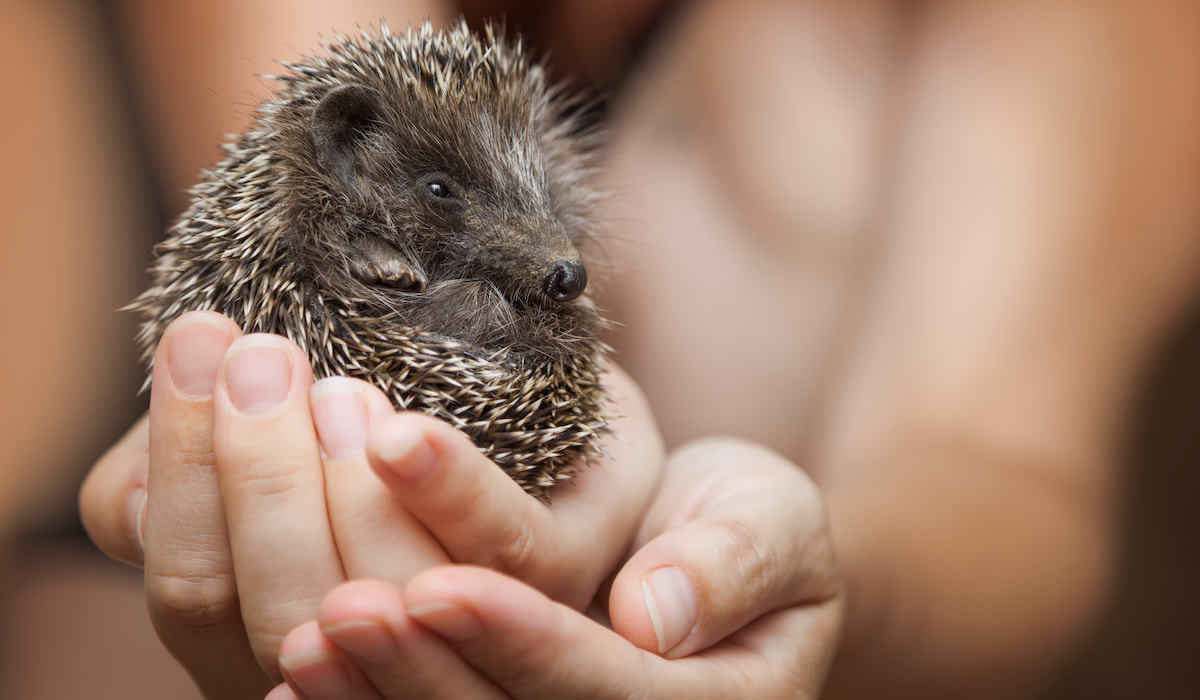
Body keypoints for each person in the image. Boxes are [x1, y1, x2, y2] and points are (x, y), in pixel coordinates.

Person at [79, 0, 1200, 698]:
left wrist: (769, 566)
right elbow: (298, 304)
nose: (561, 260)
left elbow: (1004, 481)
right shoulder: (354, 139)